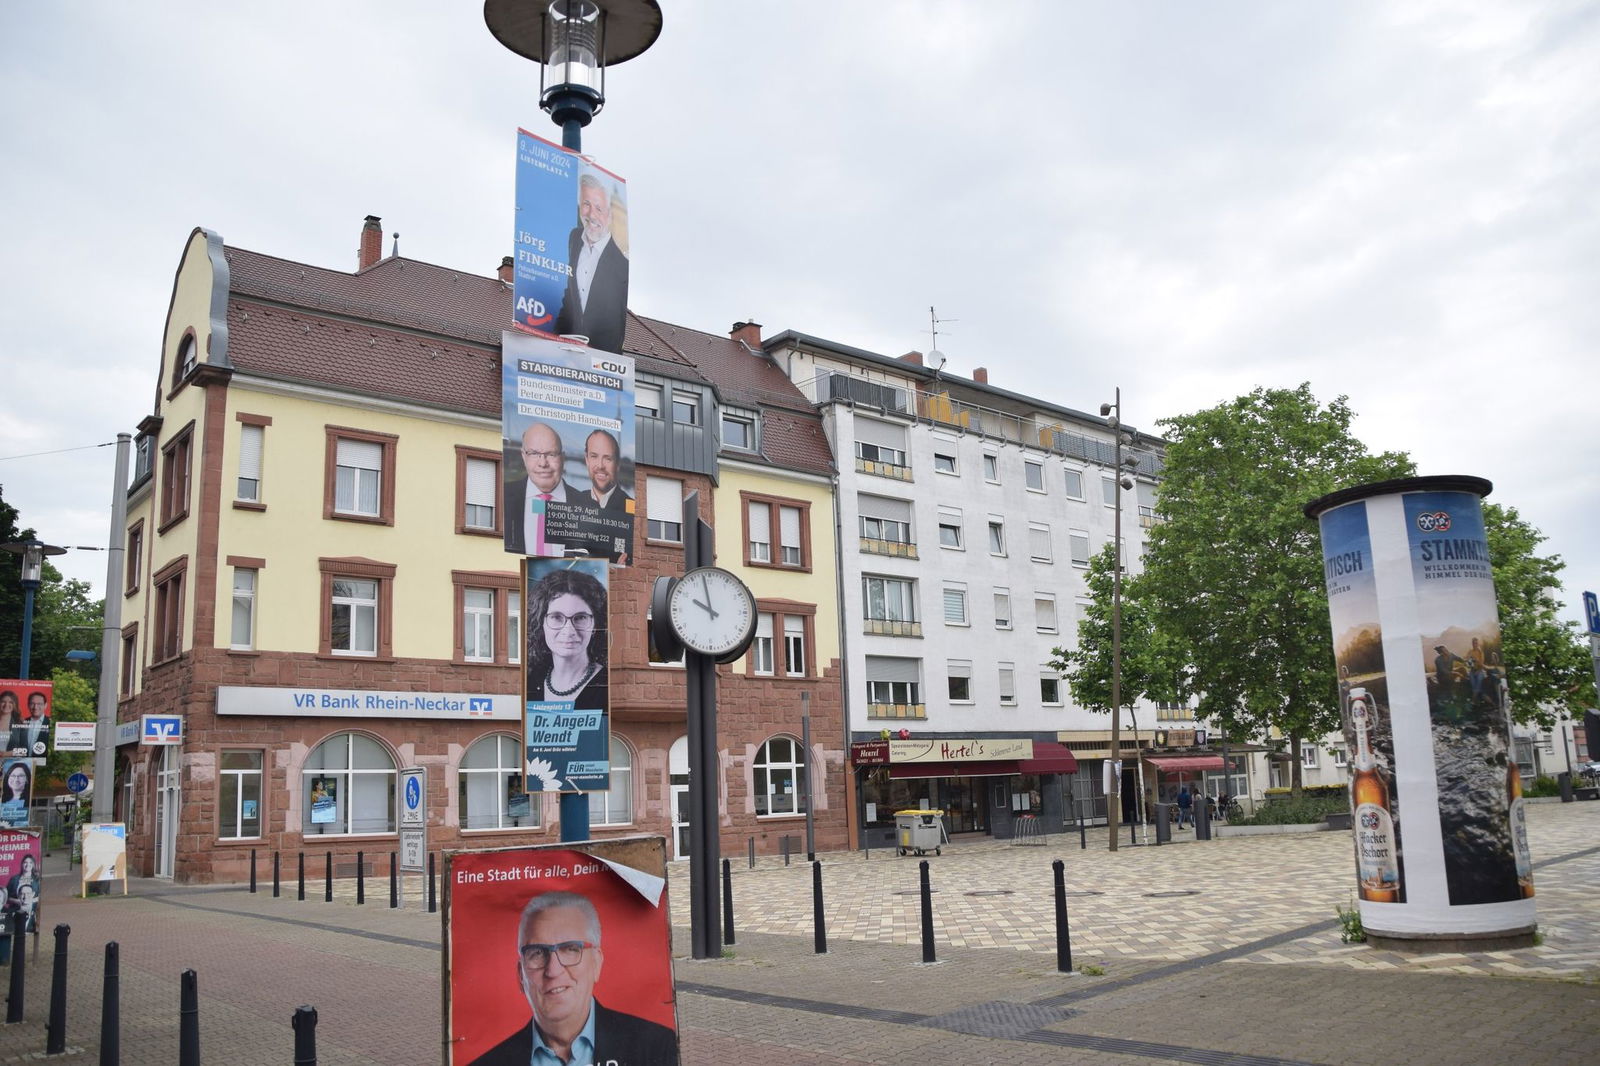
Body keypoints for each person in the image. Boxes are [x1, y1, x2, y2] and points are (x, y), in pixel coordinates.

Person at [470, 891, 676, 1066]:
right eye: (537, 953)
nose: (553, 970)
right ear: (520, 975)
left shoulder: (659, 1047)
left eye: (570, 949)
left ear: (596, 963)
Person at [552, 173, 629, 355]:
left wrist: (600, 359)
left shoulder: (621, 265)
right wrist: (554, 340)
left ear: (610, 215)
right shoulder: (574, 239)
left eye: (599, 208)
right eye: (586, 204)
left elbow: (616, 324)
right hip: (568, 352)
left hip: (600, 358)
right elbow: (571, 297)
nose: (591, 214)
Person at [526, 568, 608, 710]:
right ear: (541, 623)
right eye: (556, 617)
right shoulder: (530, 682)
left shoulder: (607, 685)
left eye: (580, 617)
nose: (569, 631)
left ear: (595, 625)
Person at [504, 423, 586, 556]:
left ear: (562, 458)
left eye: (551, 454)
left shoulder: (588, 506)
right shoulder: (503, 496)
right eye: (534, 453)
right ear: (524, 456)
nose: (543, 463)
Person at [582, 429, 631, 515]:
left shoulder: (630, 507)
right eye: (594, 456)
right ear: (587, 459)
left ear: (617, 464)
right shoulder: (576, 499)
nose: (600, 466)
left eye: (608, 458)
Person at [0, 761, 31, 826]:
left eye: (21, 776)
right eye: (13, 775)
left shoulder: (29, 800)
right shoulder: (2, 799)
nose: (16, 779)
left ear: (27, 779)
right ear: (7, 778)